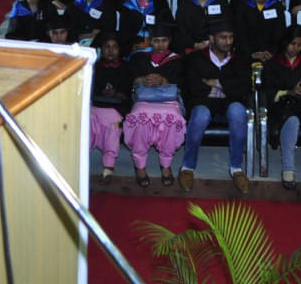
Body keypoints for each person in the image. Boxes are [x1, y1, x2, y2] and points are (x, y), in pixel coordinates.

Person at [179, 20, 252, 194]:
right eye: (223, 38)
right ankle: (187, 167)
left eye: (231, 37)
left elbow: (244, 87)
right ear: (212, 38)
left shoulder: (240, 58)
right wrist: (225, 87)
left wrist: (216, 83)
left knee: (238, 112)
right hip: (203, 102)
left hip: (229, 102)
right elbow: (191, 85)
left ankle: (236, 168)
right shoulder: (195, 58)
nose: (228, 42)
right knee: (200, 115)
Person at [123, 22, 187, 187]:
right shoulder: (139, 57)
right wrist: (141, 80)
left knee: (172, 118)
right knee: (139, 118)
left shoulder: (177, 60)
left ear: (170, 40)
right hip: (144, 100)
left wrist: (164, 80)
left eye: (164, 40)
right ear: (150, 41)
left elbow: (182, 83)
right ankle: (140, 166)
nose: (160, 45)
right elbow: (129, 80)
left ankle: (166, 165)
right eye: (156, 40)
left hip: (169, 101)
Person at [263, 27, 301, 191]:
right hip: (283, 106)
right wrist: (289, 92)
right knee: (292, 120)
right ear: (285, 43)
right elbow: (267, 92)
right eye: (292, 44)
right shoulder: (273, 63)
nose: (295, 48)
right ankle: (288, 168)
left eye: (300, 45)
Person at [91, 32, 131, 184]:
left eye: (114, 47)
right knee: (88, 120)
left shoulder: (126, 68)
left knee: (114, 124)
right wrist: (101, 92)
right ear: (101, 49)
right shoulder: (94, 67)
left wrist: (117, 93)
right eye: (107, 47)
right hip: (96, 106)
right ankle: (81, 163)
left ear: (119, 50)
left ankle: (108, 168)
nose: (110, 50)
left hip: (117, 108)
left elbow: (128, 94)